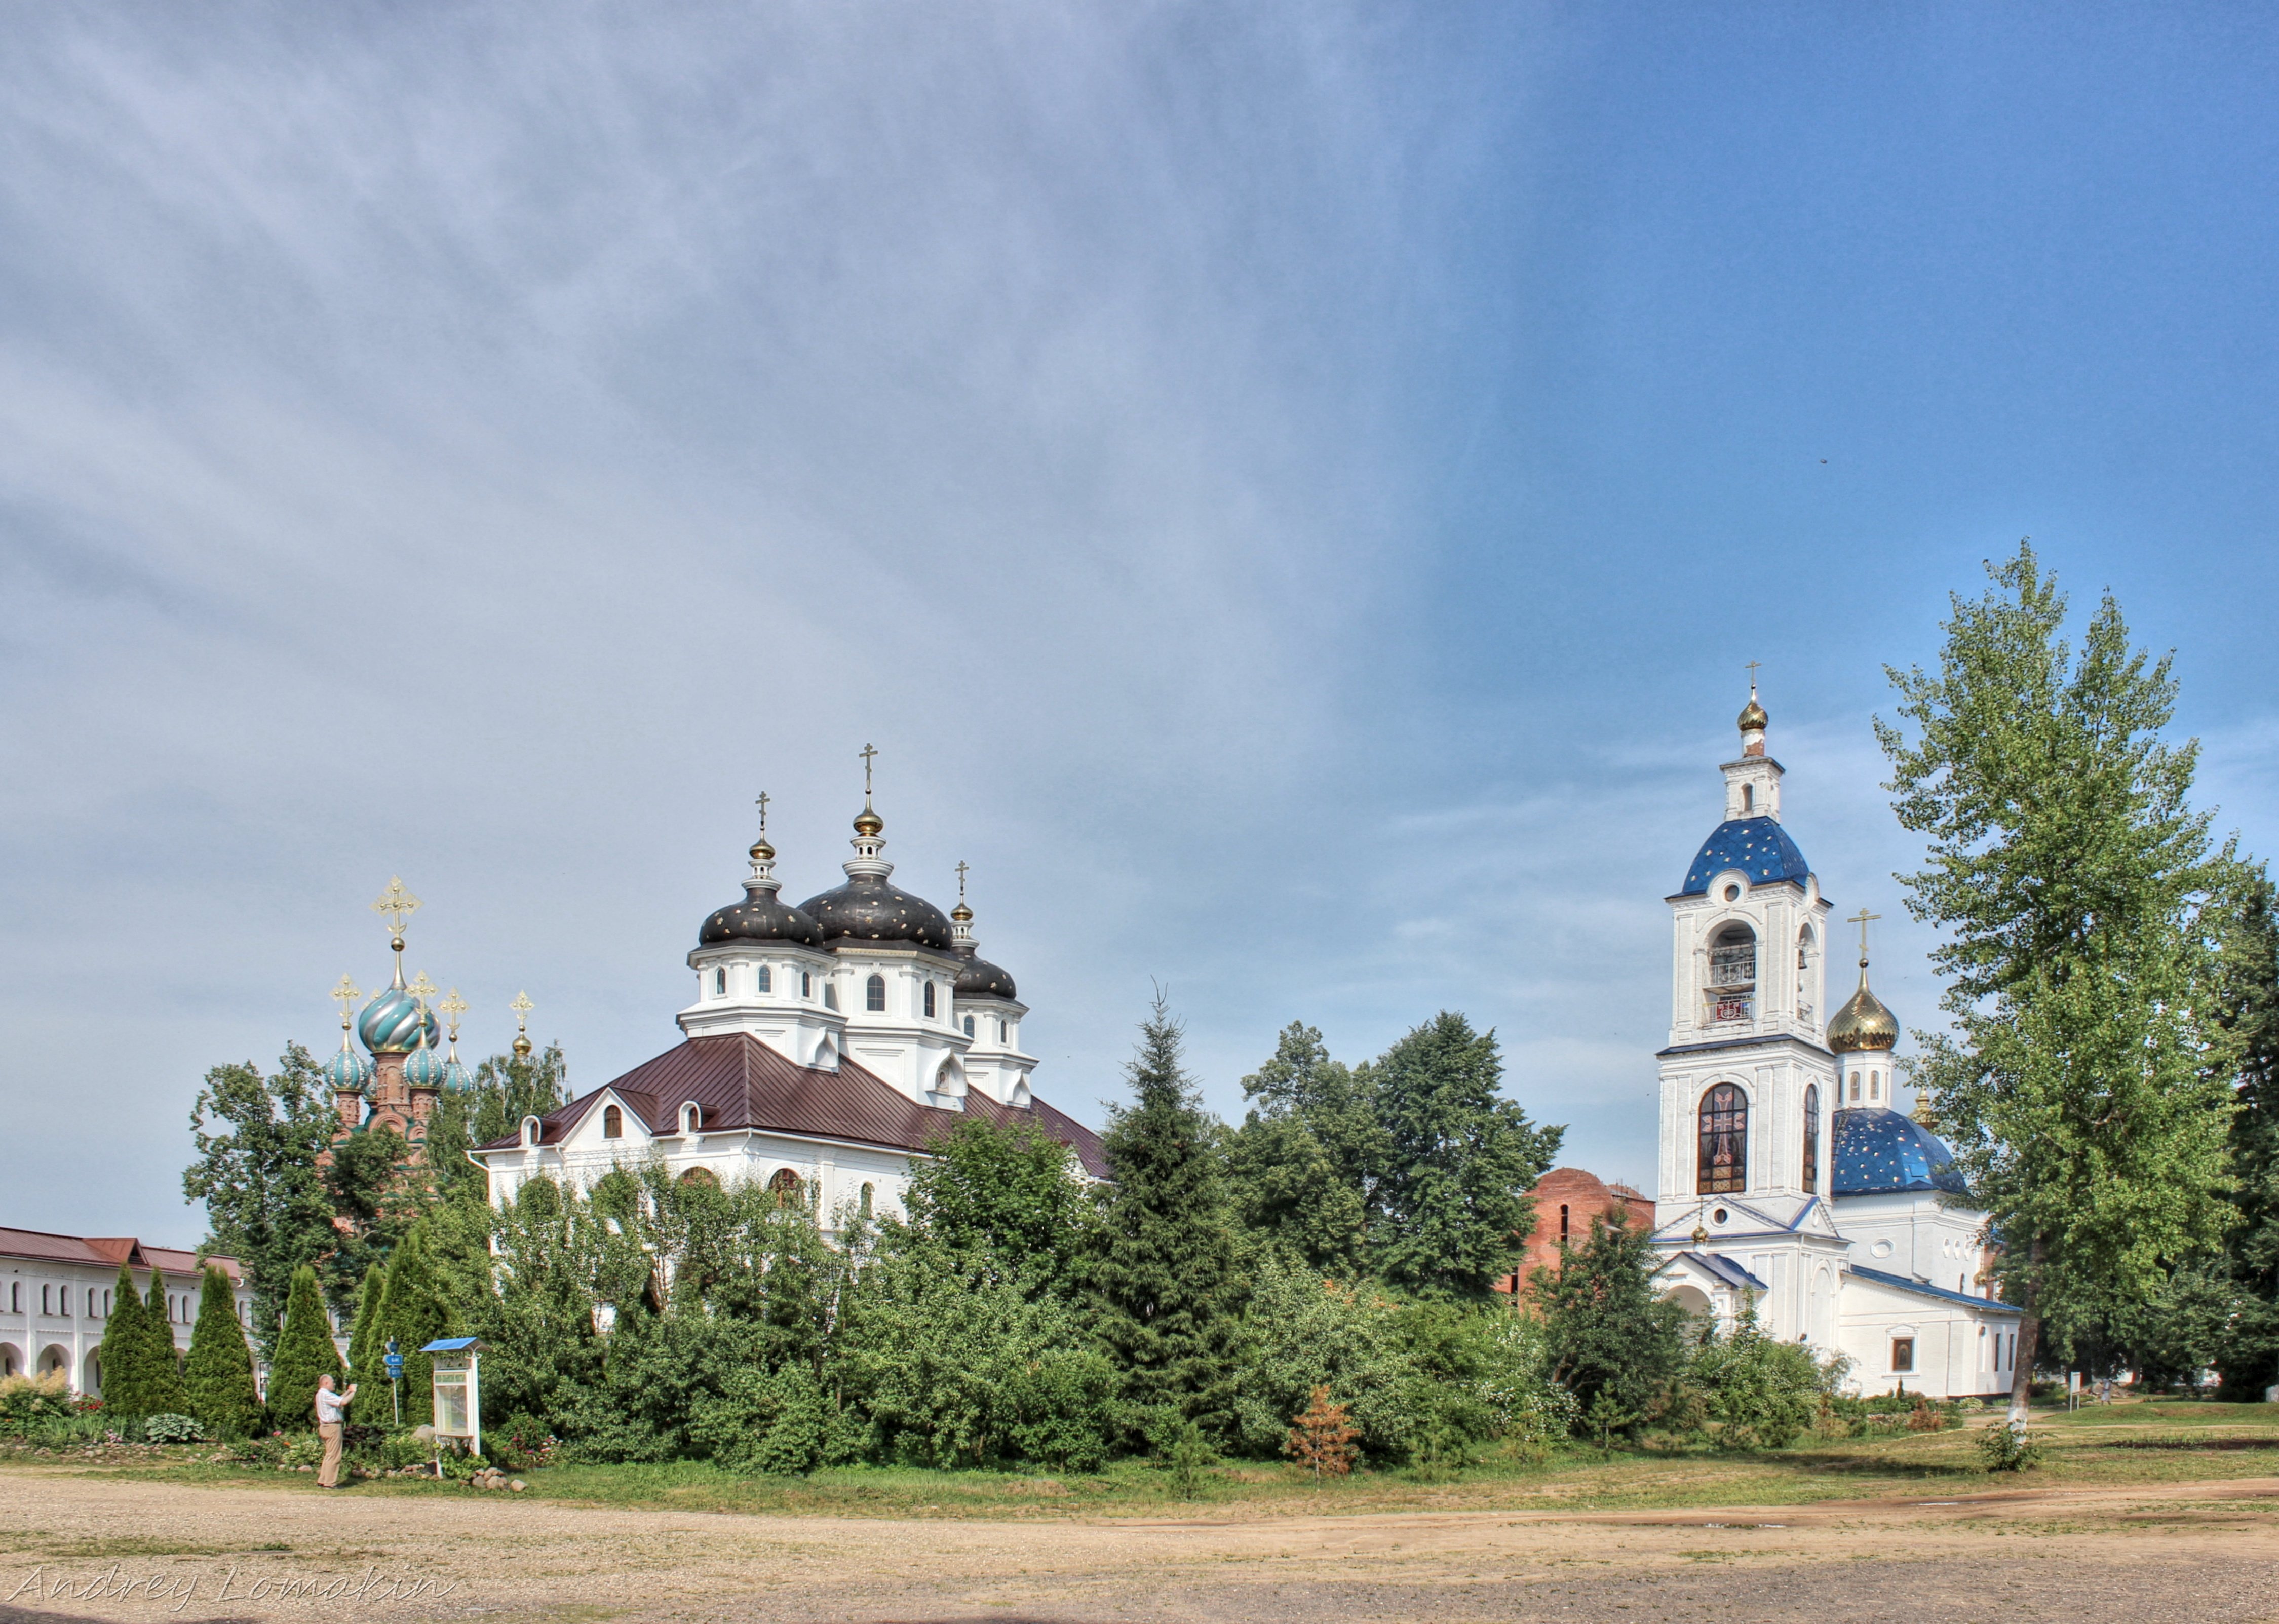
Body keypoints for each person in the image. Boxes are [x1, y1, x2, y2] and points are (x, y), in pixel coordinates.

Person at [314, 1372, 357, 1488]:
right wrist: (353, 1392)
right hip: (332, 1427)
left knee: (329, 1455)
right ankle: (330, 1483)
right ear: (326, 1383)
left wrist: (348, 1392)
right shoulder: (325, 1394)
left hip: (325, 1427)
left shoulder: (322, 1394)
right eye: (333, 1382)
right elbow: (344, 1402)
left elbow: (338, 1400)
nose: (334, 1384)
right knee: (335, 1456)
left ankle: (323, 1480)